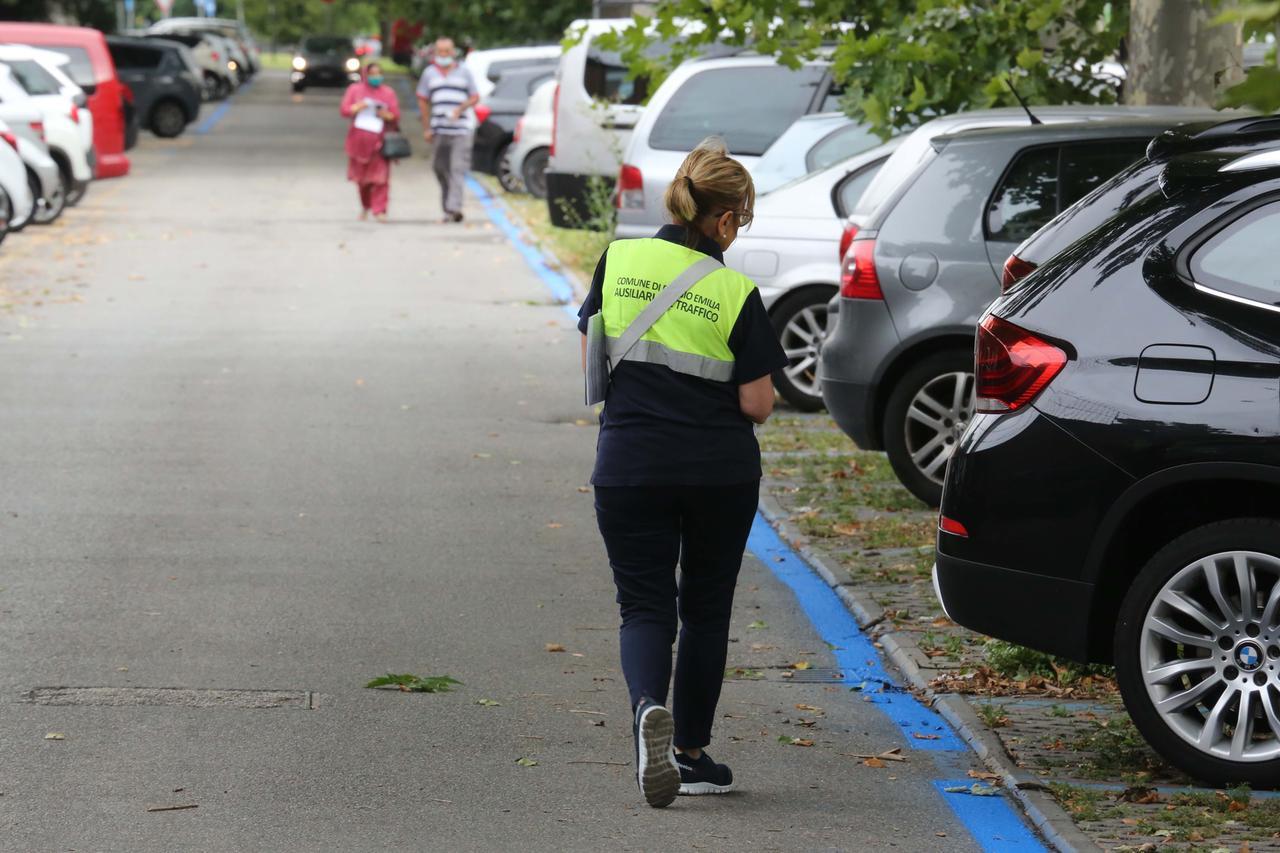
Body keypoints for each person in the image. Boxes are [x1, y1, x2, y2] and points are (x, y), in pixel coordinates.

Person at [577, 138, 787, 808]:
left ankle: (647, 708)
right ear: (725, 218)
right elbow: (757, 402)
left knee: (643, 604)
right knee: (704, 607)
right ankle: (690, 752)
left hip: (630, 463)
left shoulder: (618, 259)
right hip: (718, 473)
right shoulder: (735, 292)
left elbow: (590, 359)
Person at [415, 37, 479, 223]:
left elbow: (475, 96)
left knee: (457, 168)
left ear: (453, 52)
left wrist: (461, 108)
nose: (444, 55)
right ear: (435, 53)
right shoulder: (429, 74)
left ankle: (454, 208)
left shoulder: (464, 72)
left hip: (461, 129)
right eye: (440, 51)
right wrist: (426, 128)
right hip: (439, 129)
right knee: (439, 167)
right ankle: (447, 206)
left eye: (447, 51)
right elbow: (422, 100)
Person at [340, 63, 400, 222]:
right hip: (359, 140)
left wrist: (385, 114)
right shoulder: (355, 90)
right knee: (362, 180)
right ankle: (366, 205)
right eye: (372, 74)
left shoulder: (388, 93)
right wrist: (358, 107)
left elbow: (395, 115)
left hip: (380, 141)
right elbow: (345, 110)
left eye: (378, 73)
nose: (375, 77)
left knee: (381, 179)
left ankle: (379, 209)